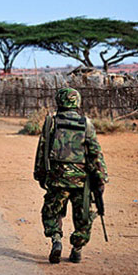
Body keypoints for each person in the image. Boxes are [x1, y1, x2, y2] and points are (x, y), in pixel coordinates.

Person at [33, 88, 108, 263]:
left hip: (57, 178)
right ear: (77, 102)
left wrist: (40, 175)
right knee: (83, 216)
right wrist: (101, 178)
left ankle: (56, 240)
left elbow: (42, 151)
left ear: (59, 101)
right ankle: (77, 248)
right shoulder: (86, 123)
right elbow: (95, 153)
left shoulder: (51, 122)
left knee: (52, 212)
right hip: (82, 181)